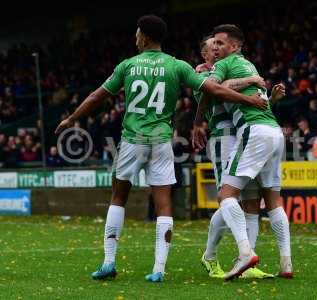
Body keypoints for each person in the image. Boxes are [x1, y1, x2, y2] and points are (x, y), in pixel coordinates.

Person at [55, 15, 266, 283]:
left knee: (119, 197)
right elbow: (214, 89)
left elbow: (98, 95)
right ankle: (158, 269)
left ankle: (108, 262)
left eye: (137, 33)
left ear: (143, 36)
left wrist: (73, 118)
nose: (135, 37)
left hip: (132, 139)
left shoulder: (128, 65)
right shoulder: (177, 66)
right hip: (162, 141)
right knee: (163, 202)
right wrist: (246, 98)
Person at [193, 24, 292, 280]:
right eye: (211, 47)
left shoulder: (231, 65)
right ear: (204, 55)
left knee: (248, 201)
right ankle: (211, 254)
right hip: (224, 138)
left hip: (247, 134)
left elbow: (256, 101)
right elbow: (214, 91)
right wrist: (249, 83)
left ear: (232, 46)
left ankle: (248, 258)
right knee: (231, 199)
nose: (215, 49)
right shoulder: (203, 75)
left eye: (219, 44)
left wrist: (269, 97)